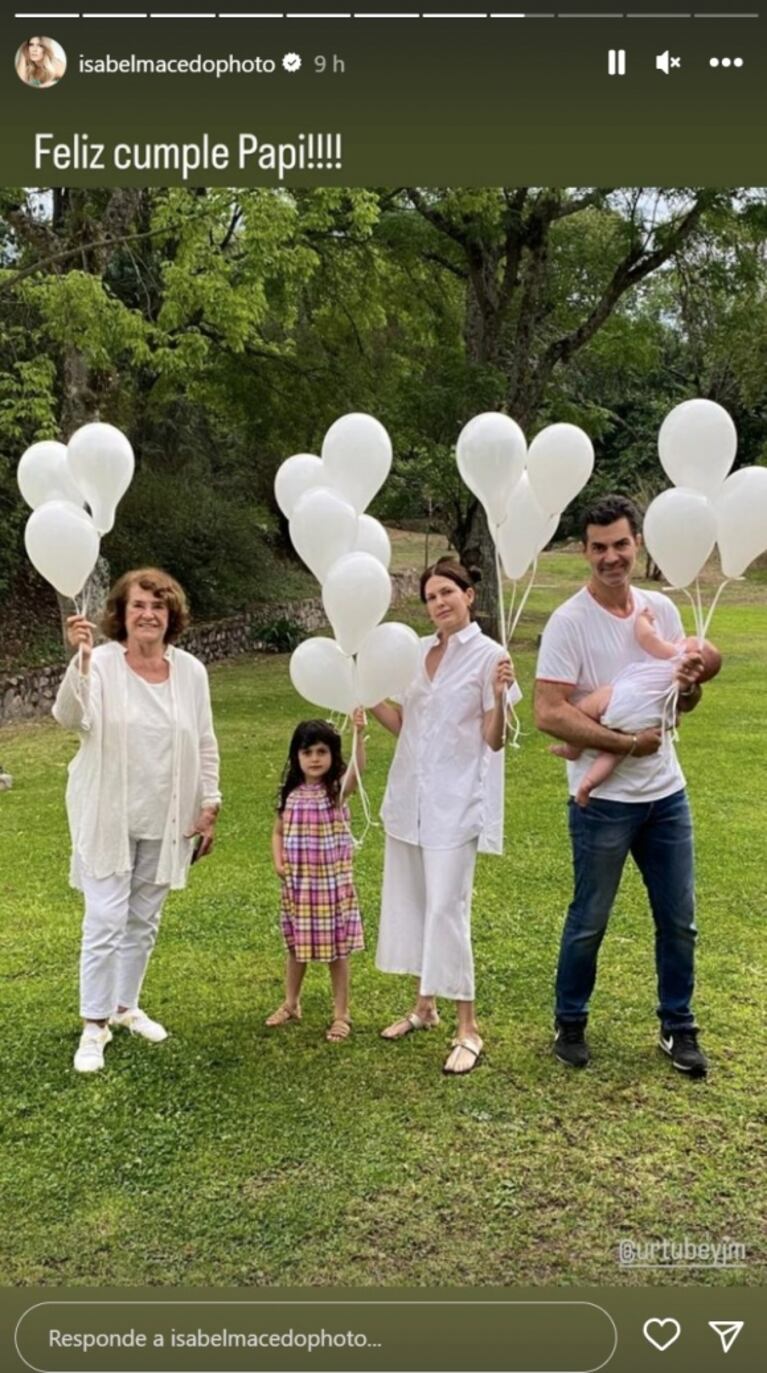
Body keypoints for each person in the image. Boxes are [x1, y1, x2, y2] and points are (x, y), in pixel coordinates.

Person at [535, 494, 710, 1077]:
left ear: (637, 544)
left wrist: (687, 686)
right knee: (590, 918)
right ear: (584, 551)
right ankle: (570, 1020)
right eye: (599, 547)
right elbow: (548, 712)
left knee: (679, 919)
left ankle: (678, 1027)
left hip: (666, 795)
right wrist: (625, 745)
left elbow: (681, 703)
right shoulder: (568, 622)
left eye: (621, 544)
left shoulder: (662, 610)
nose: (612, 557)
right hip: (604, 803)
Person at [53, 567, 221, 1073]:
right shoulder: (100, 662)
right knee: (105, 917)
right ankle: (93, 1024)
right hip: (109, 812)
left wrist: (209, 803)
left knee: (144, 919)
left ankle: (126, 1008)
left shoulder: (190, 671)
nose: (149, 614)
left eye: (158, 606)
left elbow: (206, 740)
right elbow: (69, 717)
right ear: (120, 616)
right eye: (138, 606)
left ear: (171, 616)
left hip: (167, 816)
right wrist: (79, 660)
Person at [370, 559, 519, 1076]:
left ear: (469, 595)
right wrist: (364, 696)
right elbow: (406, 724)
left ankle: (468, 1027)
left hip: (456, 803)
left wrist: (499, 698)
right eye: (431, 596)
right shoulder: (413, 652)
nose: (439, 602)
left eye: (448, 592)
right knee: (415, 902)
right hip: (410, 797)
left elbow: (494, 739)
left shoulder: (488, 656)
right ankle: (424, 1007)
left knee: (446, 909)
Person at [550, 608, 722, 806]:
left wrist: (643, 620)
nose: (680, 640)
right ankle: (588, 784)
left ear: (690, 652)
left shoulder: (677, 656)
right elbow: (678, 713)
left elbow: (647, 638)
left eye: (686, 640)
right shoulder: (683, 679)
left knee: (583, 711)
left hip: (623, 699)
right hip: (647, 720)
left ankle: (572, 748)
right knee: (614, 753)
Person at [267, 712, 366, 1043]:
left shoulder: (336, 791)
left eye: (322, 752)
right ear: (297, 755)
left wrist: (359, 733)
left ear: (333, 755)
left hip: (331, 888)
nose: (314, 759)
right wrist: (279, 861)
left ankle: (341, 1014)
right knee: (296, 948)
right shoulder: (290, 793)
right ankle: (291, 1003)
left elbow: (357, 773)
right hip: (299, 887)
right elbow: (278, 831)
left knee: (337, 951)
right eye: (307, 752)